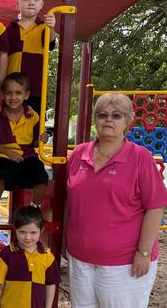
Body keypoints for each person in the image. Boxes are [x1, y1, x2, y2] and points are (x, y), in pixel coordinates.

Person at [65, 93, 167, 307]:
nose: (108, 120)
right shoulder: (78, 154)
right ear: (95, 120)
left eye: (116, 115)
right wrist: (66, 240)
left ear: (128, 121)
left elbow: (155, 207)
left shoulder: (140, 157)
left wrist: (144, 252)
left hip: (124, 264)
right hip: (80, 260)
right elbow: (68, 203)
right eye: (102, 115)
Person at [0, 73, 48, 229]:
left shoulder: (33, 116)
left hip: (27, 155)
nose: (13, 97)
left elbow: (34, 141)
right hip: (3, 153)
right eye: (9, 93)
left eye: (18, 93)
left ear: (26, 95)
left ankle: (35, 208)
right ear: (2, 95)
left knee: (41, 174)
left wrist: (42, 138)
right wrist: (9, 153)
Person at [0, 206, 60, 308]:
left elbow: (50, 284)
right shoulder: (6, 254)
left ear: (41, 231)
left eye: (33, 232)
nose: (27, 237)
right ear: (15, 229)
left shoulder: (47, 256)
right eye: (22, 232)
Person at [5, 0, 57, 114]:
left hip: (34, 85)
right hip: (13, 87)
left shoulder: (43, 27)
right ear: (17, 4)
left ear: (41, 4)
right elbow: (3, 56)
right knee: (10, 119)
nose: (31, 2)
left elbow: (50, 43)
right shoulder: (11, 29)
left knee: (34, 119)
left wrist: (51, 27)